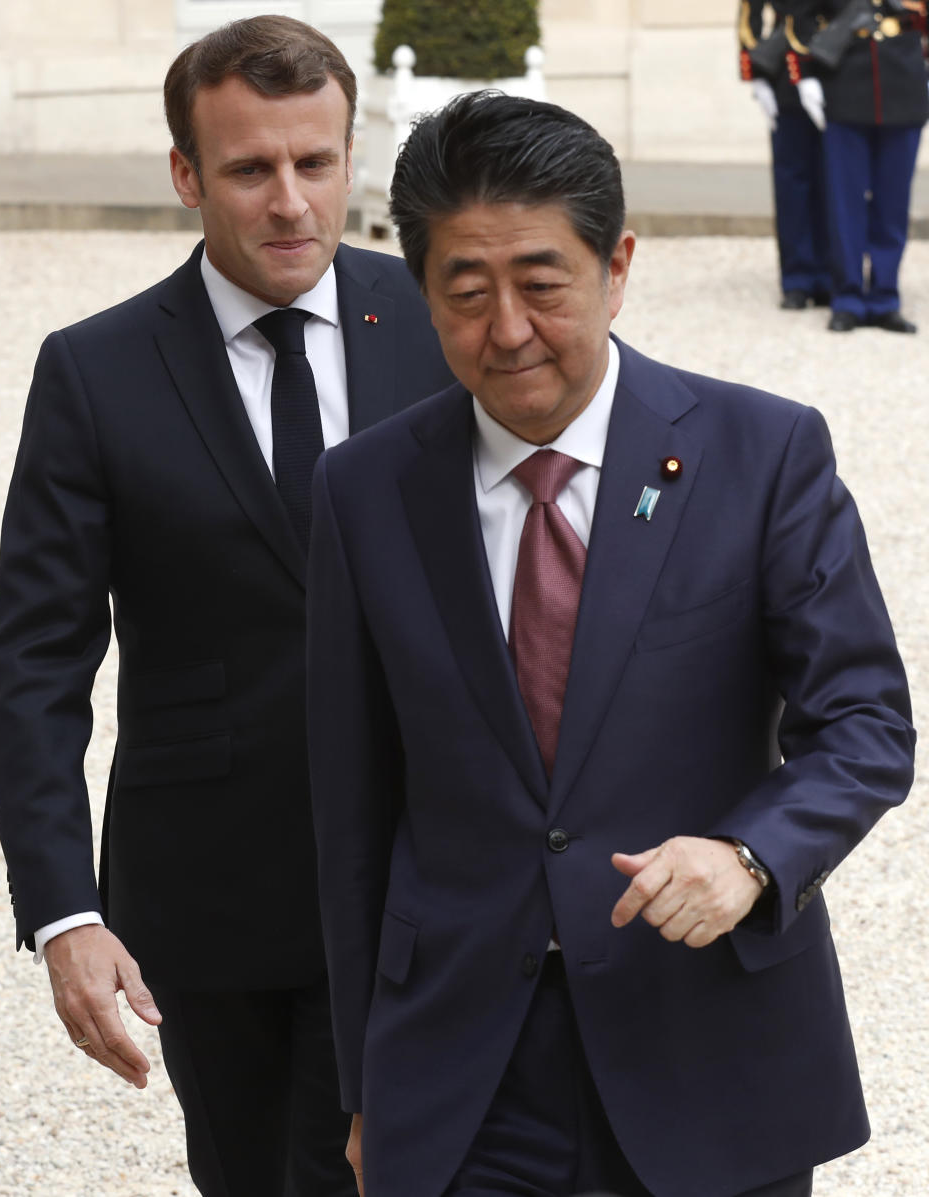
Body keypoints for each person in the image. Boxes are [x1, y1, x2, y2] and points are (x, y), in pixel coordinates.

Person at [306, 91, 915, 1197]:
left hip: (709, 1042)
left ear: (618, 264)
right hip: (462, 1072)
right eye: (465, 293)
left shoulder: (762, 452)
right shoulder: (364, 490)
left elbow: (866, 723)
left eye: (541, 286)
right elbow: (351, 808)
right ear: (420, 290)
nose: (507, 331)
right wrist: (363, 1086)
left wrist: (749, 857)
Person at [0, 15, 451, 1197]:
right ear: (187, 175)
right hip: (206, 896)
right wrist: (63, 913)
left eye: (317, 163)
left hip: (430, 875)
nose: (291, 202)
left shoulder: (448, 323)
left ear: (354, 159)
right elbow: (36, 658)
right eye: (250, 169)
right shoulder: (93, 372)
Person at [783, 0, 928, 331]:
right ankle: (847, 297)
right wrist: (805, 75)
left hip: (905, 87)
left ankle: (884, 297)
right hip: (845, 86)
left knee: (892, 205)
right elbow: (802, 16)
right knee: (844, 205)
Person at [739, 1, 831, 308]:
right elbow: (749, 14)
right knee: (793, 182)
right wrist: (756, 74)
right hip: (786, 78)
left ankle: (833, 274)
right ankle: (798, 277)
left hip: (840, 69)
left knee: (836, 182)